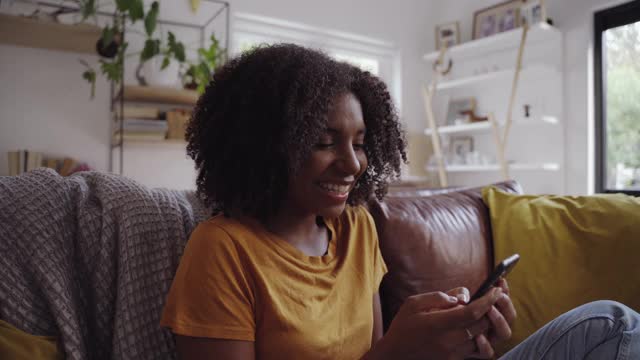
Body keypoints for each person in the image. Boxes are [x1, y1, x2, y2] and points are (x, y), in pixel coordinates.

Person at [160, 44, 640, 359]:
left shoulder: (356, 229)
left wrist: (457, 344)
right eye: (325, 141)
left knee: (607, 326)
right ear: (265, 144)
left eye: (362, 142)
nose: (353, 165)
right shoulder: (223, 250)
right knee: (610, 325)